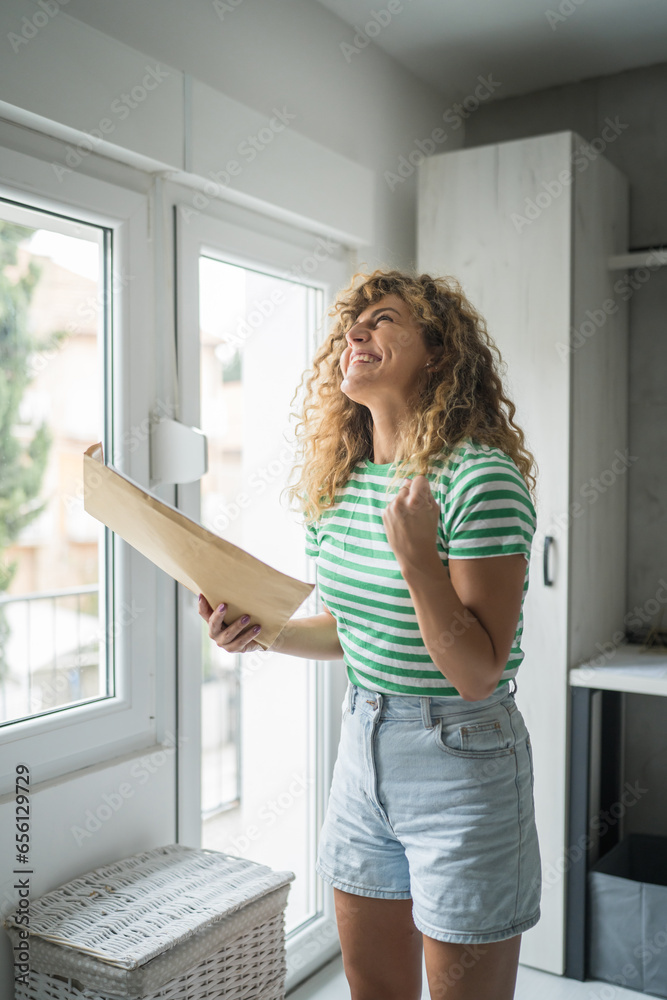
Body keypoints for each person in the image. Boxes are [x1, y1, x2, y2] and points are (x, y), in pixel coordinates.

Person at [198, 268, 541, 1000]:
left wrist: (420, 561)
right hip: (363, 750)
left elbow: (476, 672)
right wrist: (262, 633)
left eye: (383, 320)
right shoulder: (344, 486)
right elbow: (358, 635)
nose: (355, 333)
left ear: (441, 356)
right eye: (353, 324)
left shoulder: (479, 480)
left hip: (462, 758)